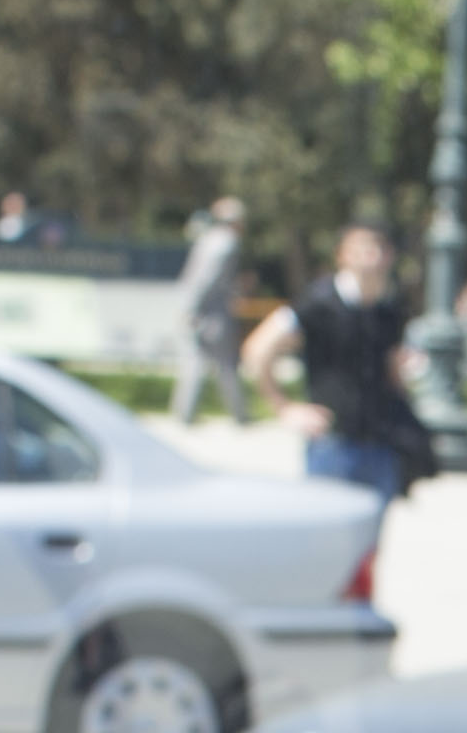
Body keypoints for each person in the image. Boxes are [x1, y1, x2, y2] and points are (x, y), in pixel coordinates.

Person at [245, 221, 433, 502]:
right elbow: (258, 348)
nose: (372, 257)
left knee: (369, 541)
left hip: (382, 441)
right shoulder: (318, 302)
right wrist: (283, 407)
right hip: (333, 442)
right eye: (362, 249)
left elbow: (392, 372)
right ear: (342, 256)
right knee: (326, 538)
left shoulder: (390, 309)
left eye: (379, 248)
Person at [168, 192, 250, 427]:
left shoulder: (208, 239)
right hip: (212, 311)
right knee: (224, 363)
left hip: (200, 307)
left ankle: (185, 413)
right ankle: (239, 414)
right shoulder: (227, 243)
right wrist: (195, 308)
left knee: (197, 360)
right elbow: (207, 279)